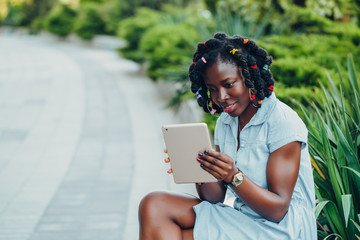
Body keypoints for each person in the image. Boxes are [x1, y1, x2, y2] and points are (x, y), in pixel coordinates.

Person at [138, 33, 316, 240]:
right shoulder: (226, 121)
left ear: (249, 78)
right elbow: (214, 199)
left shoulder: (281, 121)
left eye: (229, 84)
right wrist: (200, 168)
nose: (221, 97)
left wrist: (233, 176)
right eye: (212, 89)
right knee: (155, 205)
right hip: (243, 218)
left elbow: (277, 210)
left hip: (283, 229)